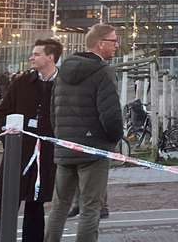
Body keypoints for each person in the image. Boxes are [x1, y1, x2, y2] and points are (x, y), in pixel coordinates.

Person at [45, 23, 123, 242]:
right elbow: (111, 115)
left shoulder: (62, 73)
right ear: (100, 44)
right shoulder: (103, 72)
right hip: (93, 150)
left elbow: (54, 111)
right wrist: (112, 139)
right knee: (91, 207)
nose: (117, 45)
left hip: (65, 147)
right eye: (114, 41)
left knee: (59, 207)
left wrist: (61, 138)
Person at [0, 38, 61, 242]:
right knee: (6, 203)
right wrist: (10, 141)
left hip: (45, 155)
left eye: (37, 54)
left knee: (35, 204)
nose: (31, 57)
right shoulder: (22, 82)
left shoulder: (63, 85)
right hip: (18, 153)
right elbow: (2, 112)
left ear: (50, 57)